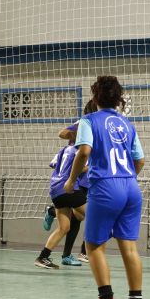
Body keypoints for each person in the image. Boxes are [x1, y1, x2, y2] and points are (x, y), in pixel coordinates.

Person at [64, 75, 145, 299]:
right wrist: (126, 176)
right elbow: (139, 160)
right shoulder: (127, 123)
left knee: (94, 245)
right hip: (131, 186)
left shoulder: (88, 120)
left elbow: (84, 151)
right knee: (129, 247)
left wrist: (71, 179)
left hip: (106, 187)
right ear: (118, 98)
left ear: (94, 97)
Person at [43, 100, 97, 264]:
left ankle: (55, 255)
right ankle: (83, 252)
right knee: (92, 215)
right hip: (74, 181)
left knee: (77, 219)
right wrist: (76, 134)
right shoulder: (82, 129)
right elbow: (62, 133)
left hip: (80, 181)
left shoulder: (98, 128)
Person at [34, 141, 87, 269]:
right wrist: (93, 167)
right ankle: (89, 252)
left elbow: (53, 164)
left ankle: (42, 257)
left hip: (55, 189)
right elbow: (79, 168)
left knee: (64, 227)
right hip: (68, 188)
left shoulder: (65, 149)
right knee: (95, 216)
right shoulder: (81, 151)